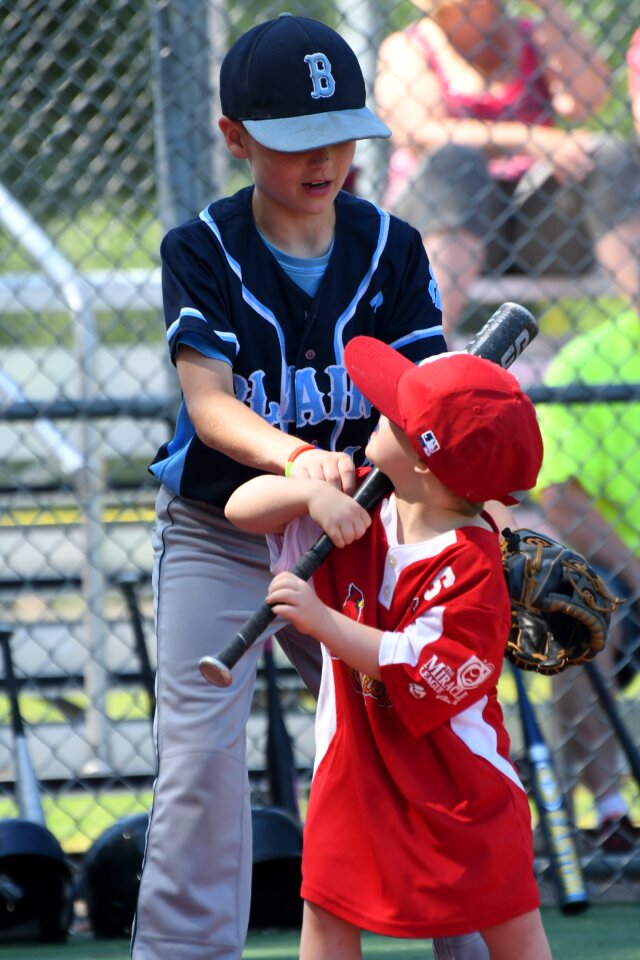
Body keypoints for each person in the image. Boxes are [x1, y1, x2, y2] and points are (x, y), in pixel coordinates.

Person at [131, 13, 495, 960]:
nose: (325, 157)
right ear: (235, 138)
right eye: (295, 139)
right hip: (225, 527)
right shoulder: (202, 248)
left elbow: (418, 406)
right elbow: (209, 405)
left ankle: (461, 942)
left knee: (420, 734)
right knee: (202, 766)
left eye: (340, 133)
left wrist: (465, 511)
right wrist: (296, 461)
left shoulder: (393, 247)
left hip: (362, 530)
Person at [225, 342, 550, 959]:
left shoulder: (474, 568)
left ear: (424, 464)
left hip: (457, 785)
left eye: (393, 415)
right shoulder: (368, 507)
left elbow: (411, 661)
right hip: (355, 769)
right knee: (325, 913)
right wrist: (305, 493)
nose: (376, 408)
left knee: (509, 923)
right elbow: (239, 509)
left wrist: (321, 621)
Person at [375, 0, 640, 335]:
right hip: (445, 220)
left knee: (608, 155)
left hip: (535, 226)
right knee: (458, 159)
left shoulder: (532, 34)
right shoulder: (409, 46)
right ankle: (428, 347)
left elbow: (586, 98)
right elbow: (420, 131)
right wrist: (527, 138)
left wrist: (551, 8)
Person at [533, 304, 640, 853]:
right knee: (579, 608)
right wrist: (636, 572)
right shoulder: (583, 362)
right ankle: (611, 813)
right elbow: (559, 496)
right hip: (619, 564)